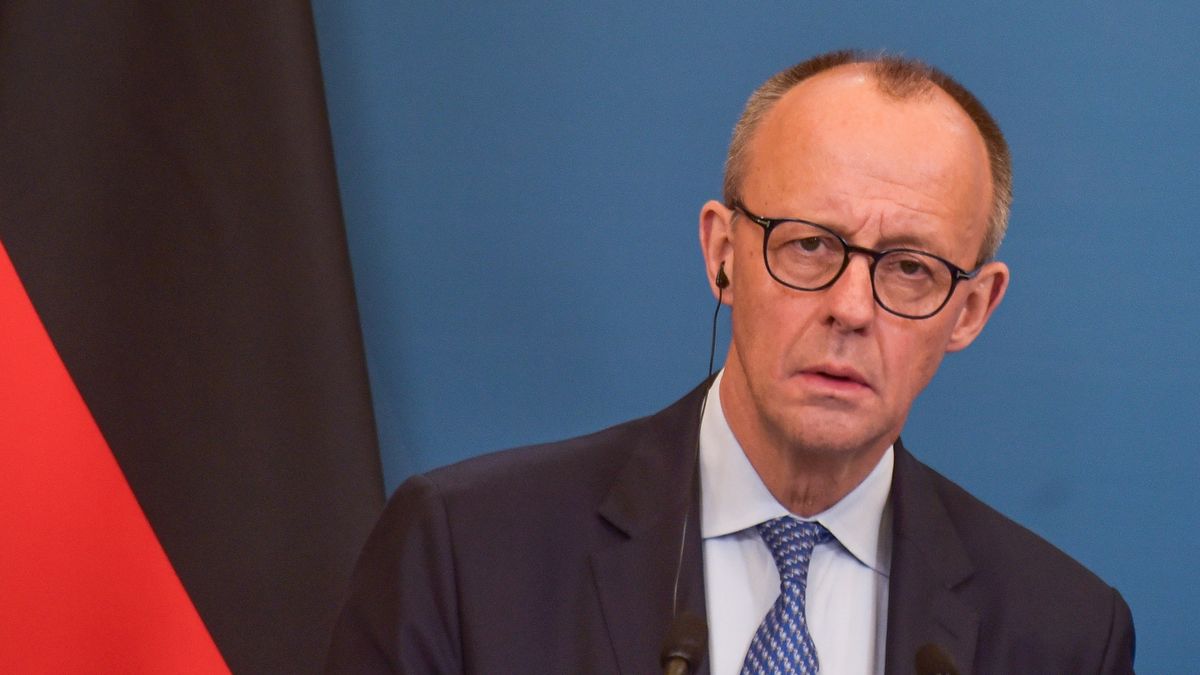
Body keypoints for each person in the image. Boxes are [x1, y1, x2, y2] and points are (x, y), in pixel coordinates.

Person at [326, 50, 1135, 674]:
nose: (851, 308)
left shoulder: (1061, 633)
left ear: (970, 310)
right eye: (811, 245)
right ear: (723, 255)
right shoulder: (467, 551)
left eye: (910, 268)